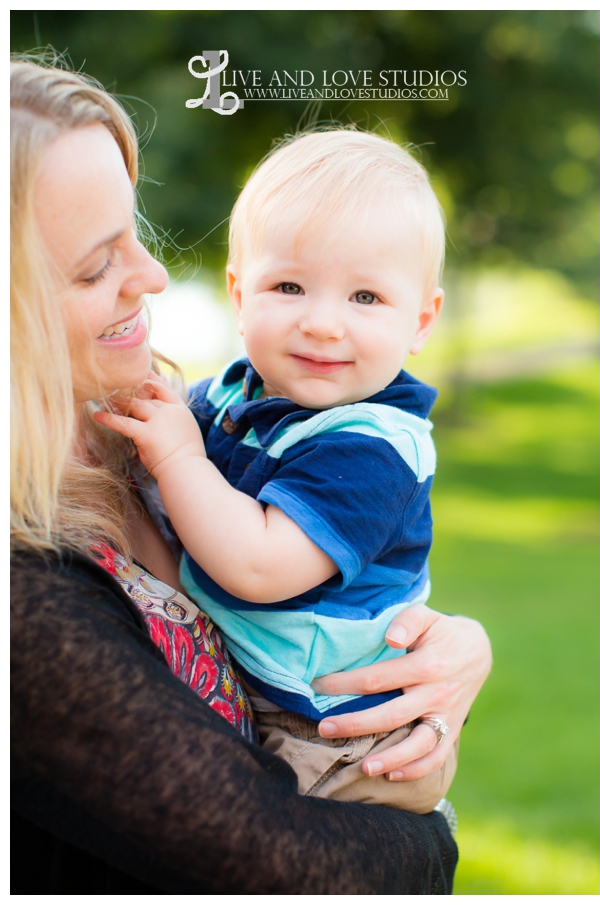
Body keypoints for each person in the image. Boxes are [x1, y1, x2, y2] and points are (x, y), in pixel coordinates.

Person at [11, 56, 492, 894]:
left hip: (329, 718)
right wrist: (433, 836)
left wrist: (453, 647)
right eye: (96, 265)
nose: (155, 274)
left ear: (423, 318)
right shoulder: (29, 589)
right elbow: (282, 862)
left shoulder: (134, 421)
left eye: (137, 230)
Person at [97, 130, 455, 813]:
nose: (322, 323)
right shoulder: (239, 394)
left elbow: (259, 565)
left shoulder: (376, 446)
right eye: (288, 285)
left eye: (366, 298)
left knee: (274, 857)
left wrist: (177, 454)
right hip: (268, 688)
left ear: (422, 320)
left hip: (342, 733)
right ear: (239, 294)